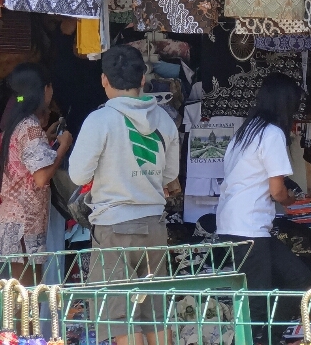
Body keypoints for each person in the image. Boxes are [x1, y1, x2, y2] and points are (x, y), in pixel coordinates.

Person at [68, 44, 180, 345]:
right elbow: (170, 175)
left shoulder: (99, 120)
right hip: (154, 227)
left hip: (113, 228)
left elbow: (78, 176)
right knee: (156, 313)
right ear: (142, 79)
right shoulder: (164, 119)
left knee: (121, 319)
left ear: (104, 80)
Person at [217, 73, 311, 344]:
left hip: (240, 224)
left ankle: (269, 338)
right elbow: (277, 190)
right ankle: (259, 339)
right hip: (248, 227)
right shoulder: (271, 134)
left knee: (298, 279)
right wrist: (289, 201)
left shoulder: (246, 132)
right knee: (258, 301)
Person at [0, 64, 73, 271]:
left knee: (14, 286)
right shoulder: (30, 127)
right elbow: (41, 177)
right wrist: (63, 147)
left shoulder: (16, 124)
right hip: (26, 226)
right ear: (44, 90)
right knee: (27, 286)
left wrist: (45, 139)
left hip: (11, 221)